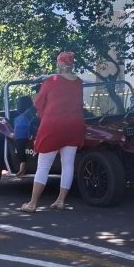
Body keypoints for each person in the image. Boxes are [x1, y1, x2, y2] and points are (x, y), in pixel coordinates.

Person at [19, 51, 85, 212]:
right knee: (68, 164)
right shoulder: (79, 82)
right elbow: (79, 103)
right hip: (74, 125)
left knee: (43, 166)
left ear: (60, 64)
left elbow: (39, 102)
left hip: (53, 125)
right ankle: (61, 201)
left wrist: (42, 113)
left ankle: (33, 203)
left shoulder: (51, 81)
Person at [11, 94, 37, 179]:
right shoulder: (26, 114)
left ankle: (22, 165)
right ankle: (22, 165)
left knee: (20, 146)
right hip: (26, 135)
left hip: (25, 135)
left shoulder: (24, 115)